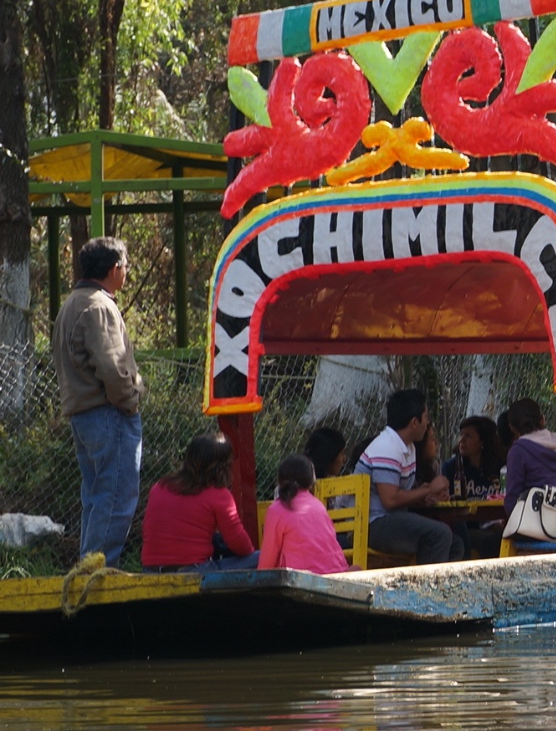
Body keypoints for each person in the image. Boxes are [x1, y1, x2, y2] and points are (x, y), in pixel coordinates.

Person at [57, 236, 145, 562]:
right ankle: (99, 572)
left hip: (82, 413)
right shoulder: (99, 306)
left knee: (96, 496)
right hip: (108, 414)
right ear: (113, 268)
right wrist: (131, 400)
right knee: (117, 494)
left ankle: (88, 566)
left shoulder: (72, 303)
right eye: (125, 266)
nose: (127, 272)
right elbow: (112, 368)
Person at [355, 389, 463, 563]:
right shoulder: (387, 447)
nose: (427, 423)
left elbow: (399, 495)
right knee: (439, 534)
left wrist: (425, 495)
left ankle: (431, 585)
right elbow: (390, 500)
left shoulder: (407, 447)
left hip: (390, 519)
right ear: (414, 422)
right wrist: (429, 489)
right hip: (371, 525)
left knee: (455, 544)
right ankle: (426, 589)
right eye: (426, 417)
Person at [140, 432, 257, 572]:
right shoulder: (219, 495)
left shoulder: (160, 486)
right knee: (261, 558)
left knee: (217, 539)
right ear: (223, 466)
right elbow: (242, 546)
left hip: (151, 571)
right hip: (192, 572)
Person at [258, 454, 351, 574]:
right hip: (336, 575)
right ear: (311, 481)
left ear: (279, 480)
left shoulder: (276, 509)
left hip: (301, 581)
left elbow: (267, 561)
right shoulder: (318, 505)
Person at [502, 399, 556, 544]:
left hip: (533, 531)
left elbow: (512, 498)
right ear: (542, 420)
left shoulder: (518, 451)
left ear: (512, 428)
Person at [443, 414, 506, 498]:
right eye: (461, 434)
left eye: (468, 436)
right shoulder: (451, 468)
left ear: (482, 442)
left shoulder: (499, 469)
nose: (462, 440)